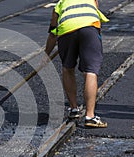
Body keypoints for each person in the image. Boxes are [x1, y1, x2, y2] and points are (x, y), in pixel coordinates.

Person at [44, 0, 109, 128]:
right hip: (89, 28)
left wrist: (45, 56)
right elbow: (97, 21)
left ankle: (74, 109)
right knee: (90, 72)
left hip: (66, 31)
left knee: (67, 69)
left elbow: (52, 34)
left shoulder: (60, 4)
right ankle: (90, 117)